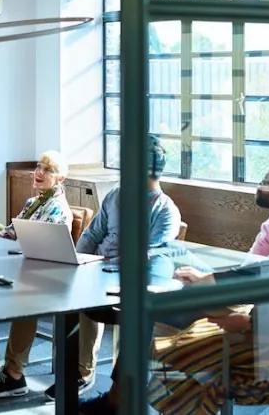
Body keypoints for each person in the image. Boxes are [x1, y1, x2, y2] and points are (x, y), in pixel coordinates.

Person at [78, 163, 269, 415]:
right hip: (257, 319)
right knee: (168, 265)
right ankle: (133, 393)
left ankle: (130, 399)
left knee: (180, 355)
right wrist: (211, 280)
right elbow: (264, 271)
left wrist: (246, 322)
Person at [39, 137, 181, 401]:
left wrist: (105, 267)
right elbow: (92, 234)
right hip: (96, 269)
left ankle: (82, 372)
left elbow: (146, 256)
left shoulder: (166, 211)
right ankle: (63, 369)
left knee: (85, 297)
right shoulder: (116, 196)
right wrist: (77, 261)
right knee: (63, 287)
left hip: (124, 280)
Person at [0, 151, 74, 398]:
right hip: (23, 263)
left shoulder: (57, 209)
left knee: (18, 295)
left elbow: (38, 246)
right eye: (39, 166)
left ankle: (12, 373)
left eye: (48, 170)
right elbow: (13, 232)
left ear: (60, 179)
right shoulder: (33, 202)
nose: (39, 172)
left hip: (44, 275)